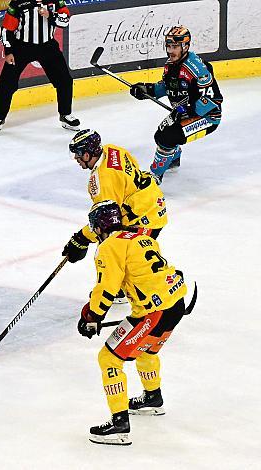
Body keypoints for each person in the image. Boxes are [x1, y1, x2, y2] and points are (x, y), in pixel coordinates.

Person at [77, 200, 189, 446]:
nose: (94, 231)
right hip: (176, 303)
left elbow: (108, 287)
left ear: (101, 225)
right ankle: (152, 398)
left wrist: (92, 317)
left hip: (154, 312)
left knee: (109, 359)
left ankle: (119, 424)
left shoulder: (108, 247)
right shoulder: (140, 237)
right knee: (147, 350)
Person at [130, 26, 223, 182]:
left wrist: (188, 110)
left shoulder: (198, 68)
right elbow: (167, 86)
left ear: (185, 46)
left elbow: (213, 99)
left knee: (167, 138)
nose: (170, 51)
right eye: (169, 46)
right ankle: (173, 157)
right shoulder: (171, 63)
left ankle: (154, 176)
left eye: (175, 47)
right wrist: (147, 90)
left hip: (207, 117)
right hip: (183, 109)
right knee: (159, 135)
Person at [62, 129, 168, 265]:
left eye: (78, 155)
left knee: (119, 260)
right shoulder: (112, 150)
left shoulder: (103, 181)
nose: (76, 159)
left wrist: (81, 238)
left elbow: (106, 220)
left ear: (87, 155)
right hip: (153, 203)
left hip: (143, 219)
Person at [0, 0, 79, 134]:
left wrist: (49, 15)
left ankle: (65, 115)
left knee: (64, 80)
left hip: (47, 46)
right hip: (21, 47)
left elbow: (64, 21)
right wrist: (8, 51)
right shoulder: (18, 2)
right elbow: (7, 28)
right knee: (6, 83)